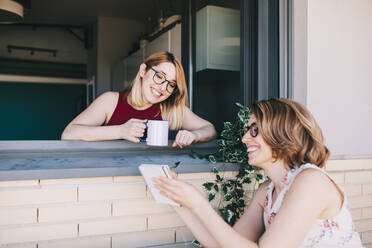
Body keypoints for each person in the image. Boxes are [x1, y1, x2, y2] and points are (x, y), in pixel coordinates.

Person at [154, 98, 363, 247]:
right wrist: (181, 205)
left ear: (282, 132)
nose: (245, 138)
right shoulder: (267, 191)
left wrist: (200, 203)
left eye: (255, 129)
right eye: (247, 129)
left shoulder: (311, 182)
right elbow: (224, 244)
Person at [61, 51, 217, 148]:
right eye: (160, 76)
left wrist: (194, 136)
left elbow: (210, 129)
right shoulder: (110, 101)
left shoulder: (170, 109)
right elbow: (68, 133)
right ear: (143, 70)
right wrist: (121, 130)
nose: (162, 87)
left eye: (171, 84)